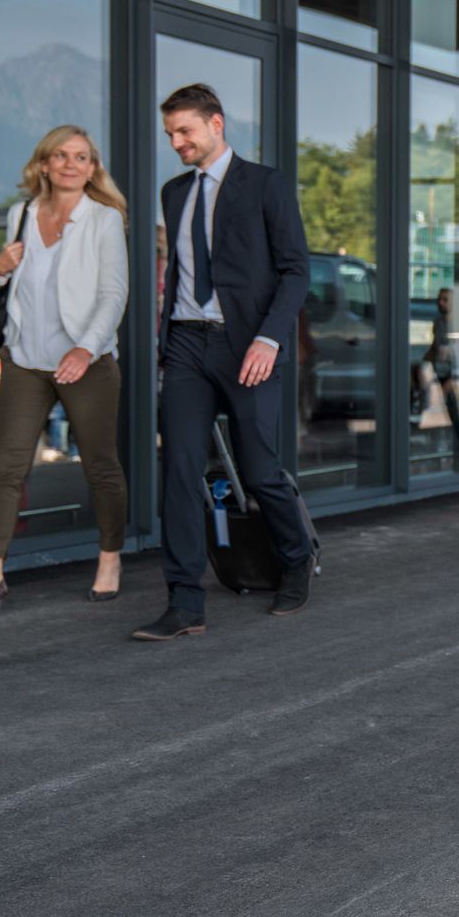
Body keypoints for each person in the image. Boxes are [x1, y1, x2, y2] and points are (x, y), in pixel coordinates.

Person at [134, 83, 313, 641]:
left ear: (216, 124)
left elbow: (295, 270)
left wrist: (269, 340)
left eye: (184, 131)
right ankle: (185, 600)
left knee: (260, 471)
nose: (176, 142)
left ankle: (295, 557)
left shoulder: (265, 184)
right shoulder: (173, 193)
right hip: (187, 345)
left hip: (248, 346)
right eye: (170, 134)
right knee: (180, 471)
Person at [0, 126, 130, 612]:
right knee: (5, 468)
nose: (71, 164)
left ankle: (109, 558)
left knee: (101, 467)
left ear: (93, 169)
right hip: (25, 361)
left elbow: (114, 296)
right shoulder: (21, 213)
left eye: (83, 157)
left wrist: (85, 350)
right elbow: (12, 284)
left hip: (85, 364)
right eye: (61, 156)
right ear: (44, 164)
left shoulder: (103, 219)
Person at [414, 286, 459, 456]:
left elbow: (458, 350)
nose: (441, 303)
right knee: (449, 405)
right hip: (441, 370)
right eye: (439, 299)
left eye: (445, 300)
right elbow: (436, 347)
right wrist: (422, 362)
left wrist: (452, 376)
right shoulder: (438, 322)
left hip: (451, 373)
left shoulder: (457, 324)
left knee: (455, 407)